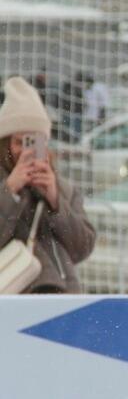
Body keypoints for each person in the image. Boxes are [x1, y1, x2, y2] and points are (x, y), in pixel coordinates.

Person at [0, 77, 95, 294]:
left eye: (33, 141)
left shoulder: (62, 188)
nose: (25, 150)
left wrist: (55, 201)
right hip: (10, 297)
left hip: (60, 299)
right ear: (4, 144)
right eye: (18, 142)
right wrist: (10, 191)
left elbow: (82, 249)